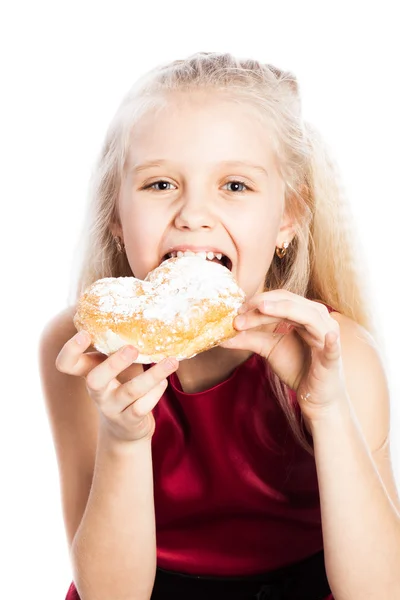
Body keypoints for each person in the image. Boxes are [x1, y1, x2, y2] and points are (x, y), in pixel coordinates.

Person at [38, 52, 400, 600]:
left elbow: (379, 591)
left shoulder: (337, 350)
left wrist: (327, 409)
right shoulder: (84, 351)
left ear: (288, 218)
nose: (193, 214)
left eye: (235, 186)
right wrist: (124, 435)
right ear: (116, 215)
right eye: (160, 185)